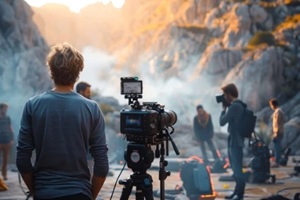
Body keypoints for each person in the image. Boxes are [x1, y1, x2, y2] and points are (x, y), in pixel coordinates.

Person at [16, 43, 109, 200]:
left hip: (44, 192)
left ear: (51, 71)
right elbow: (102, 163)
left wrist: (35, 191)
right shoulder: (91, 108)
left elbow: (22, 159)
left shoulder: (33, 105)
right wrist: (91, 196)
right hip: (79, 193)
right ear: (78, 72)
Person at [219, 83, 245, 200]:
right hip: (237, 140)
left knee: (237, 169)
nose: (224, 97)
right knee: (236, 168)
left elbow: (222, 122)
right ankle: (237, 192)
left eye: (225, 95)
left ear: (229, 94)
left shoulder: (235, 107)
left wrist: (223, 110)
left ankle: (239, 195)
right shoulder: (240, 105)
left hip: (235, 141)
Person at [269, 98, 285, 168]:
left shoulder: (278, 112)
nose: (271, 107)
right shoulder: (279, 111)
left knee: (277, 147)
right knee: (277, 147)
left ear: (273, 105)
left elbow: (277, 124)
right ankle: (277, 160)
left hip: (278, 132)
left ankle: (277, 162)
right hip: (279, 132)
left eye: (271, 105)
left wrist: (276, 134)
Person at [0, 103, 14, 180]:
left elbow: (10, 128)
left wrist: (12, 139)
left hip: (7, 141)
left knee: (5, 159)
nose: (6, 110)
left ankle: (4, 174)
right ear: (1, 108)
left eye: (6, 109)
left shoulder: (8, 118)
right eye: (4, 108)